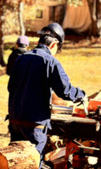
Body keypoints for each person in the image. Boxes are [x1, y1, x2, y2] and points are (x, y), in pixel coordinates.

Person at [7, 22, 85, 157]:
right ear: (54, 44)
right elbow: (65, 91)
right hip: (34, 125)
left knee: (16, 165)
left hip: (15, 121)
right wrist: (80, 95)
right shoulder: (50, 61)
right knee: (32, 165)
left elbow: (10, 87)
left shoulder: (21, 58)